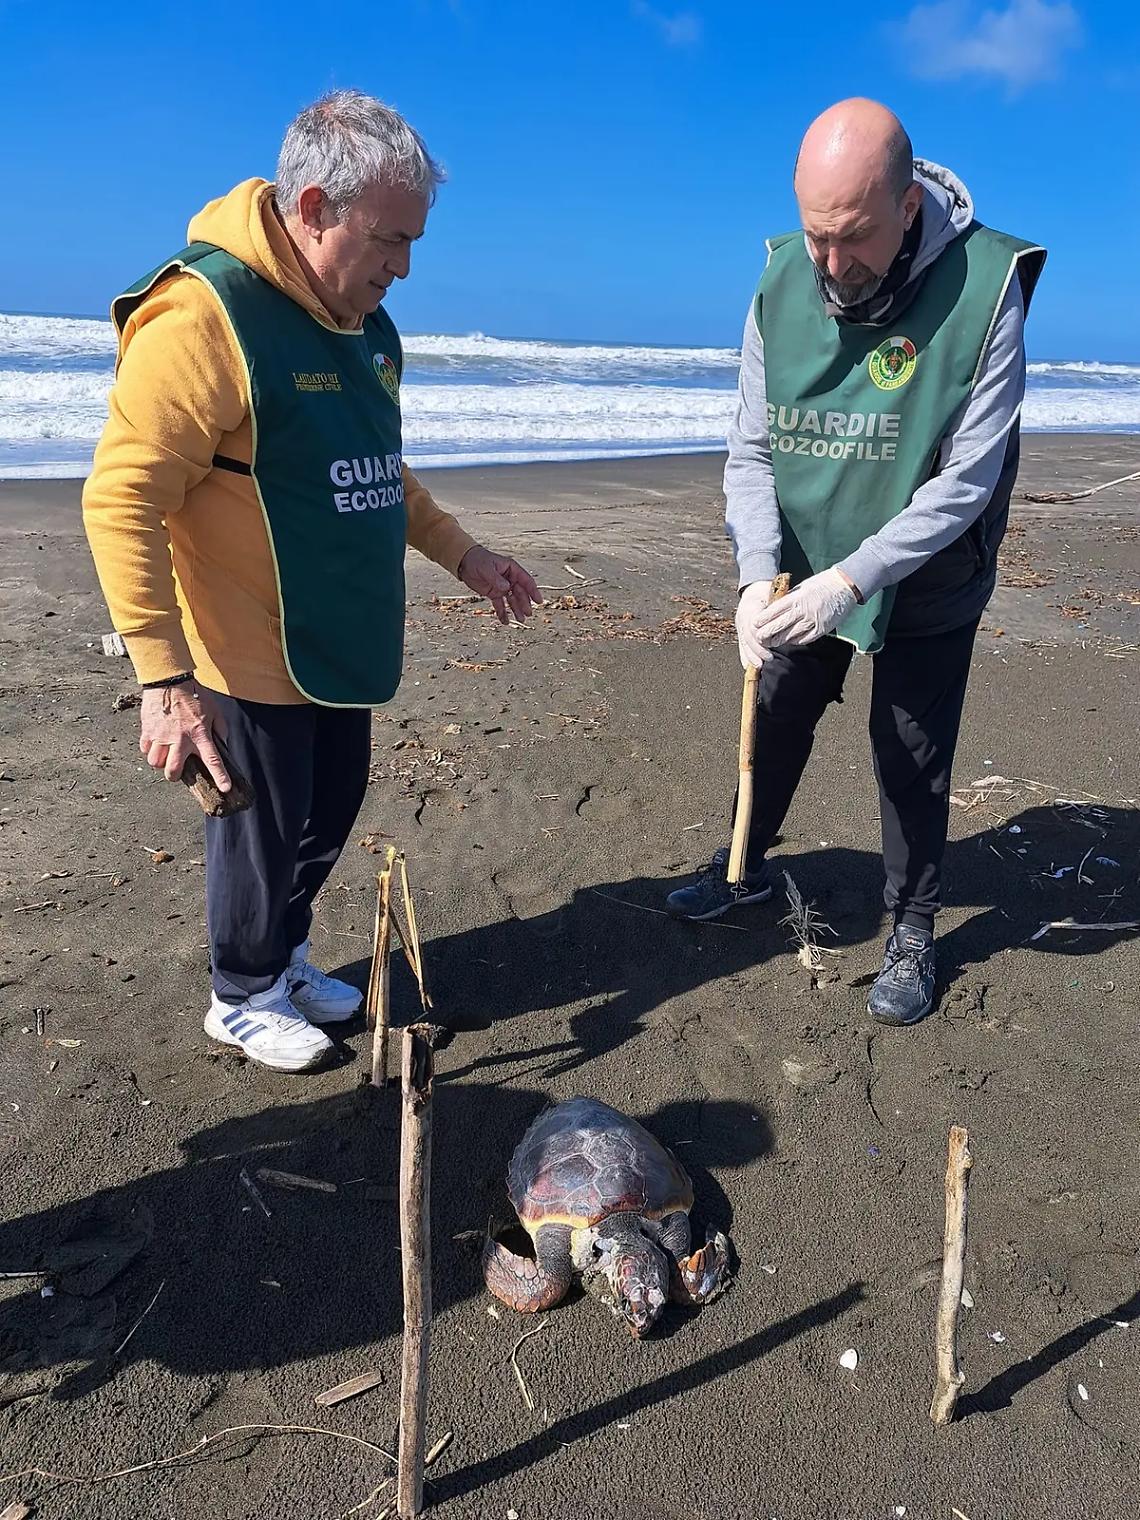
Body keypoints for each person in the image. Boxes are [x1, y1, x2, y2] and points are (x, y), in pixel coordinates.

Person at [83, 90, 541, 1073]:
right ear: (316, 206)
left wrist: (465, 553)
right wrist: (164, 680)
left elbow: (380, 465)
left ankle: (283, 958)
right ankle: (241, 991)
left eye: (416, 242)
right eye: (389, 239)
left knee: (330, 806)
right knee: (263, 824)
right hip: (243, 642)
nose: (404, 267)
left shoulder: (363, 323)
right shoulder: (205, 314)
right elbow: (120, 497)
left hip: (338, 630)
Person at [666, 98, 1045, 1028]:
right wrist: (760, 576)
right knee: (779, 705)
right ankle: (743, 865)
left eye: (853, 238)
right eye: (815, 236)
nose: (830, 265)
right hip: (807, 549)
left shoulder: (986, 285)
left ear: (908, 205)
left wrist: (854, 580)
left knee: (911, 749)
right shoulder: (781, 280)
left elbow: (967, 480)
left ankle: (912, 928)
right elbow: (751, 449)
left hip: (929, 564)